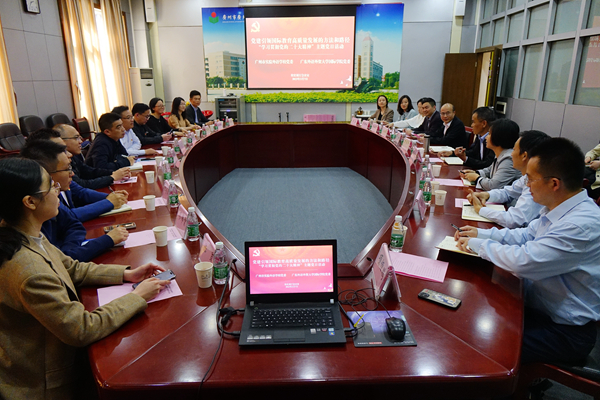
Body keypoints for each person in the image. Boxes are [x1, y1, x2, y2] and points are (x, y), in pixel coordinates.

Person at [0, 157, 171, 400]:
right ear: (30, 202)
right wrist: (137, 296)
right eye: (51, 187)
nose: (58, 191)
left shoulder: (24, 233)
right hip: (45, 383)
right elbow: (81, 329)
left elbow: (71, 268)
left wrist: (125, 274)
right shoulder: (29, 271)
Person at [455, 137, 600, 365]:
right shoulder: (560, 206)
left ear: (554, 183)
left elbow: (524, 262)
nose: (526, 185)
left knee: (480, 341)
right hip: (541, 308)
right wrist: (481, 234)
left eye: (530, 179)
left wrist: (480, 246)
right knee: (472, 311)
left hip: (565, 332)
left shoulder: (580, 225)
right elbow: (525, 236)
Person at [21, 139, 128, 221]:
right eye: (62, 150)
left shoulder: (62, 177)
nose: (72, 173)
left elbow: (81, 192)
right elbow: (67, 217)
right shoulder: (43, 194)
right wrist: (108, 202)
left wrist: (113, 197)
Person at [467, 130, 551, 228]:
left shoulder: (538, 184)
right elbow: (508, 192)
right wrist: (487, 195)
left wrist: (481, 210)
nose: (511, 154)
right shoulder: (527, 177)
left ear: (524, 156)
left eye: (514, 150)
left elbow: (515, 220)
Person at [51, 125, 130, 189]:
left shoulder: (74, 156)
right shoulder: (59, 163)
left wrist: (114, 173)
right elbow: (82, 185)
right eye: (76, 138)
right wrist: (112, 177)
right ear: (61, 141)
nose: (81, 141)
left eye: (80, 137)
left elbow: (90, 171)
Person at [459, 118, 521, 191]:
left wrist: (476, 178)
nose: (486, 137)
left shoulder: (509, 159)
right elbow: (489, 170)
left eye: (489, 134)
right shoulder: (502, 153)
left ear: (498, 137)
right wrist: (476, 172)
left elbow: (493, 185)